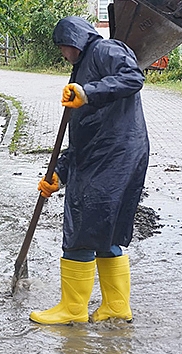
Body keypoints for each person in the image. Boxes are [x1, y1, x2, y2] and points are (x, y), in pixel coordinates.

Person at [29, 16, 148, 324]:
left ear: (72, 41)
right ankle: (116, 306)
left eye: (62, 48)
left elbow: (133, 77)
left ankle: (72, 309)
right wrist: (59, 174)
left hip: (112, 157)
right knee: (104, 232)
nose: (62, 55)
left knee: (83, 228)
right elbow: (81, 136)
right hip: (105, 156)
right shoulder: (83, 68)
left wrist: (88, 92)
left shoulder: (106, 50)